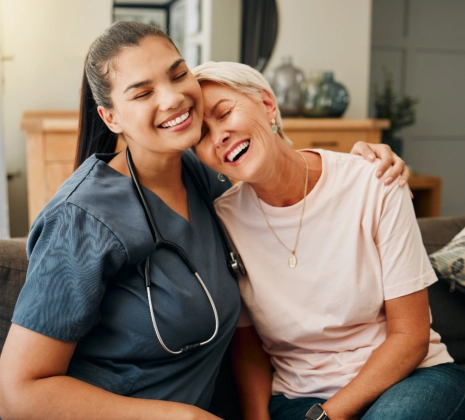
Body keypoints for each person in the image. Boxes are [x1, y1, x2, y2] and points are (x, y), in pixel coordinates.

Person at [0, 21, 406, 419]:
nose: (173, 98)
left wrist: (359, 162)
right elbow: (18, 395)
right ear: (111, 118)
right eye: (143, 93)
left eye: (178, 75)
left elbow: (279, 162)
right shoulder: (80, 219)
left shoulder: (206, 173)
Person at [192, 61, 465, 420]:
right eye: (200, 135)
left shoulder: (374, 181)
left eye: (224, 113)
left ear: (267, 105)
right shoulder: (222, 220)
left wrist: (327, 416)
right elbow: (249, 348)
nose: (218, 136)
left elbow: (410, 337)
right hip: (296, 400)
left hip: (410, 381)